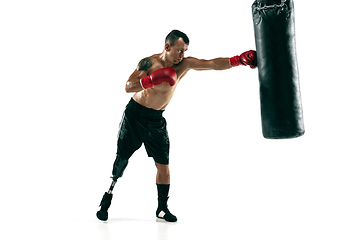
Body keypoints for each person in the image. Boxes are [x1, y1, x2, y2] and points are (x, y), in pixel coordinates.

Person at [96, 30, 257, 222]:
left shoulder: (185, 65)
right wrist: (151, 80)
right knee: (122, 159)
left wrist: (238, 60)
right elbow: (128, 86)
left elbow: (212, 64)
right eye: (179, 51)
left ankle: (162, 209)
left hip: (156, 120)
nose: (182, 56)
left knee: (163, 165)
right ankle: (108, 196)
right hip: (135, 116)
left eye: (185, 51)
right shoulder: (148, 62)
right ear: (167, 47)